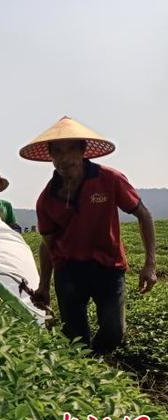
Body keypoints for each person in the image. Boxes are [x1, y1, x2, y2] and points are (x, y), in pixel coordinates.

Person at [20, 116, 156, 354]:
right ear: (50, 157)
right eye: (57, 152)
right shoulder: (47, 198)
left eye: (70, 150)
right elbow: (47, 244)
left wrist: (150, 264)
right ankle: (83, 375)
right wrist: (44, 285)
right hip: (69, 271)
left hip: (108, 266)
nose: (64, 159)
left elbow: (143, 215)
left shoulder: (109, 179)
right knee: (75, 338)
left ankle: (95, 361)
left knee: (114, 331)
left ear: (83, 150)